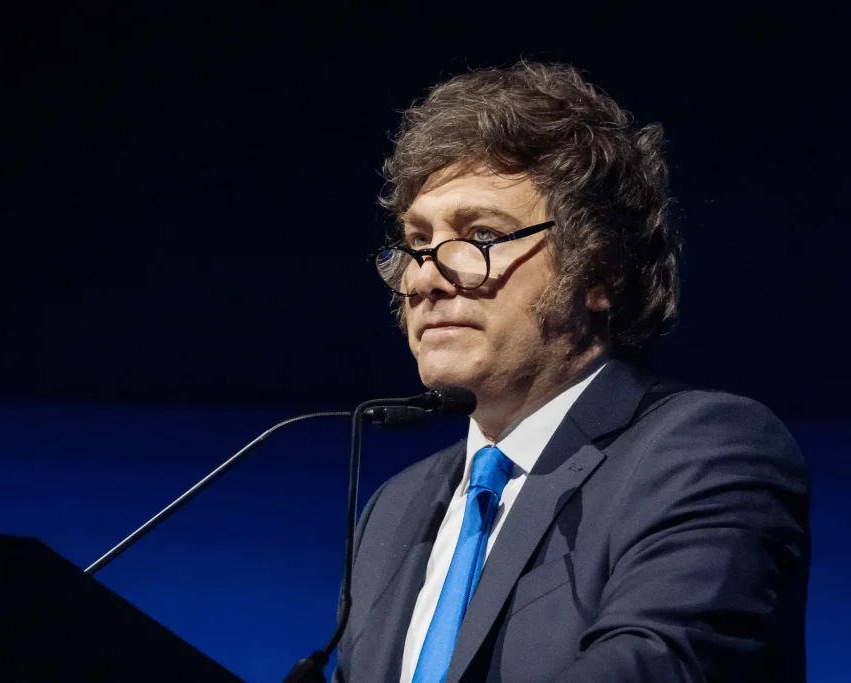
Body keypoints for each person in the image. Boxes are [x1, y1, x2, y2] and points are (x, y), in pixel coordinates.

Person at [332, 62, 810, 683]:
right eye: (417, 242)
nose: (425, 277)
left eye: (481, 236)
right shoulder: (394, 509)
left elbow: (654, 665)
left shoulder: (706, 454)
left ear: (600, 272)